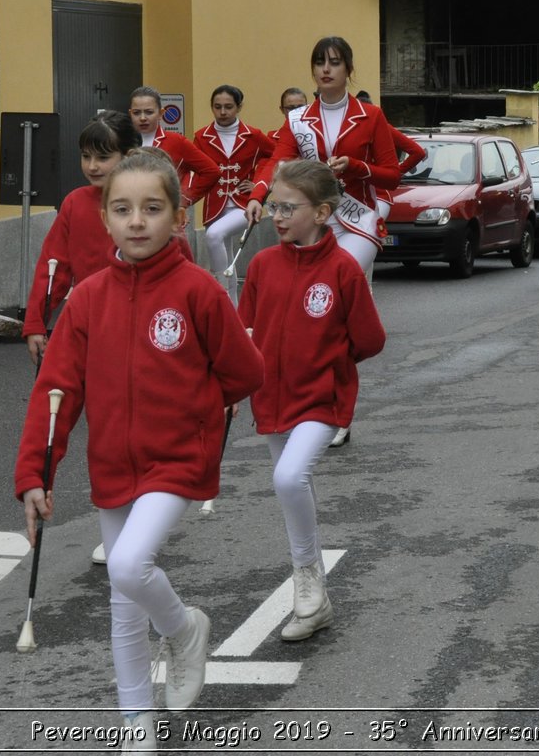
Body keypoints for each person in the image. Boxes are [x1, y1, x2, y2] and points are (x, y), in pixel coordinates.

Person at [15, 149, 265, 747]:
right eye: (122, 209)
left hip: (178, 459)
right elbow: (56, 391)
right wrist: (35, 472)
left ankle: (182, 632)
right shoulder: (88, 300)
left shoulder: (200, 291)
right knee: (123, 605)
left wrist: (202, 410)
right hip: (113, 464)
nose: (136, 221)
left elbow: (243, 372)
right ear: (104, 219)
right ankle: (136, 729)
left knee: (129, 567)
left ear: (178, 217)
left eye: (152, 209)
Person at [238, 159, 385, 641]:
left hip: (323, 399)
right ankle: (316, 598)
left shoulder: (343, 268)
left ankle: (306, 577)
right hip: (271, 399)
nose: (276, 216)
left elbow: (370, 338)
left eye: (287, 207)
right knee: (290, 488)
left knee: (288, 476)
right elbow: (246, 330)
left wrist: (329, 362)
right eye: (274, 206)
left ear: (322, 212)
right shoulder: (261, 265)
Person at [246, 36, 402, 448]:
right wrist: (257, 196)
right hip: (312, 219)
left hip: (357, 220)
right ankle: (316, 401)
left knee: (333, 296)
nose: (326, 69)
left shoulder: (370, 116)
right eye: (319, 62)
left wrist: (357, 166)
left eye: (335, 62)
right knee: (310, 313)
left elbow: (392, 174)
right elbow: (275, 159)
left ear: (350, 69)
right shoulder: (299, 119)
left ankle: (336, 406)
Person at [23, 110, 140, 365]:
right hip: (88, 320)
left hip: (142, 320)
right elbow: (53, 267)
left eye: (103, 157)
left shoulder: (149, 203)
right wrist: (36, 321)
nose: (92, 166)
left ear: (128, 155)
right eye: (86, 156)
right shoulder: (75, 203)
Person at [193, 85, 277, 292]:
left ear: (239, 107)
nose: (222, 112)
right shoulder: (202, 136)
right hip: (215, 205)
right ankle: (232, 312)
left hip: (244, 204)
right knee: (226, 254)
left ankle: (219, 292)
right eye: (217, 107)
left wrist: (259, 184)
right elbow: (192, 167)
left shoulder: (253, 135)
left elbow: (275, 157)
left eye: (228, 107)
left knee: (213, 235)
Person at [127, 87, 218, 212]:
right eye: (137, 113)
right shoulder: (122, 141)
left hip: (166, 213)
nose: (142, 118)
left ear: (161, 113)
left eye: (149, 112)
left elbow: (211, 171)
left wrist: (185, 199)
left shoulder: (176, 141)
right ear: (130, 113)